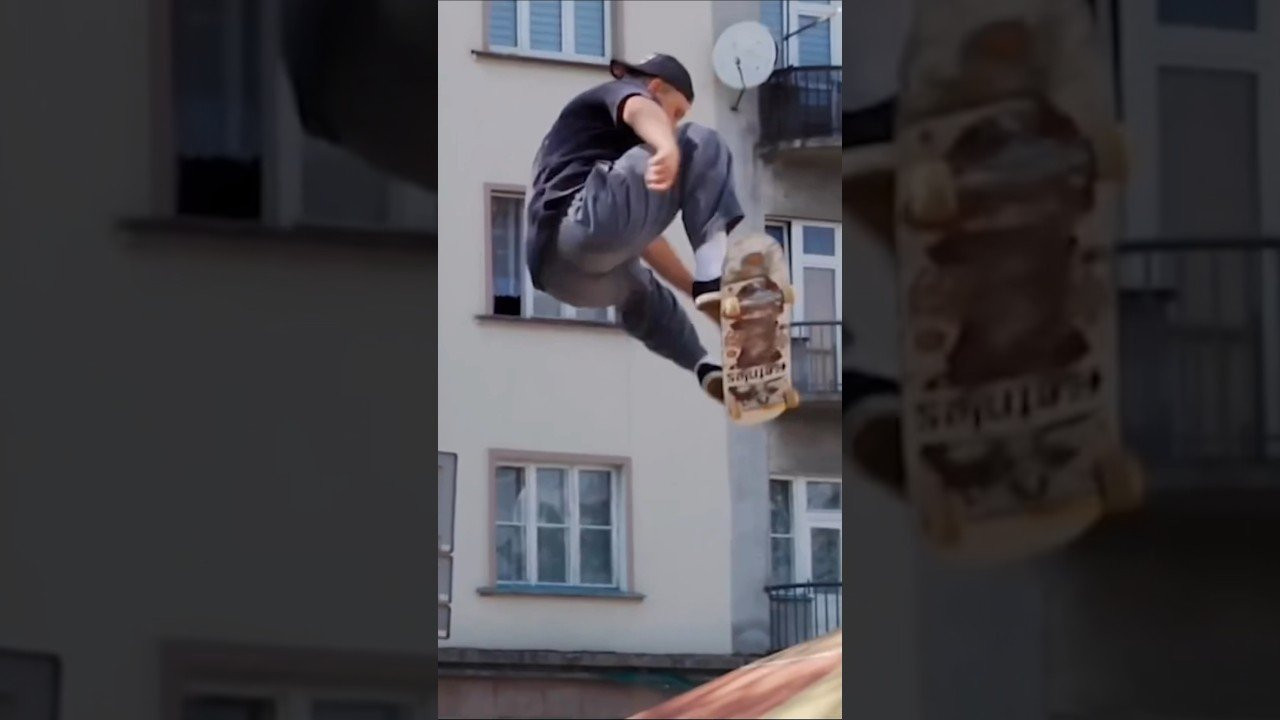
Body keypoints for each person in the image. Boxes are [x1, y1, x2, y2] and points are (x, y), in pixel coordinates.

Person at [525, 53, 747, 403]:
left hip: (561, 276)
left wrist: (695, 291)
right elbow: (639, 109)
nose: (671, 123)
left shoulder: (619, 173)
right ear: (655, 87)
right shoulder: (617, 93)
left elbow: (644, 240)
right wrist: (667, 145)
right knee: (702, 142)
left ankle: (702, 364)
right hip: (577, 220)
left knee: (643, 293)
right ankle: (713, 274)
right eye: (675, 112)